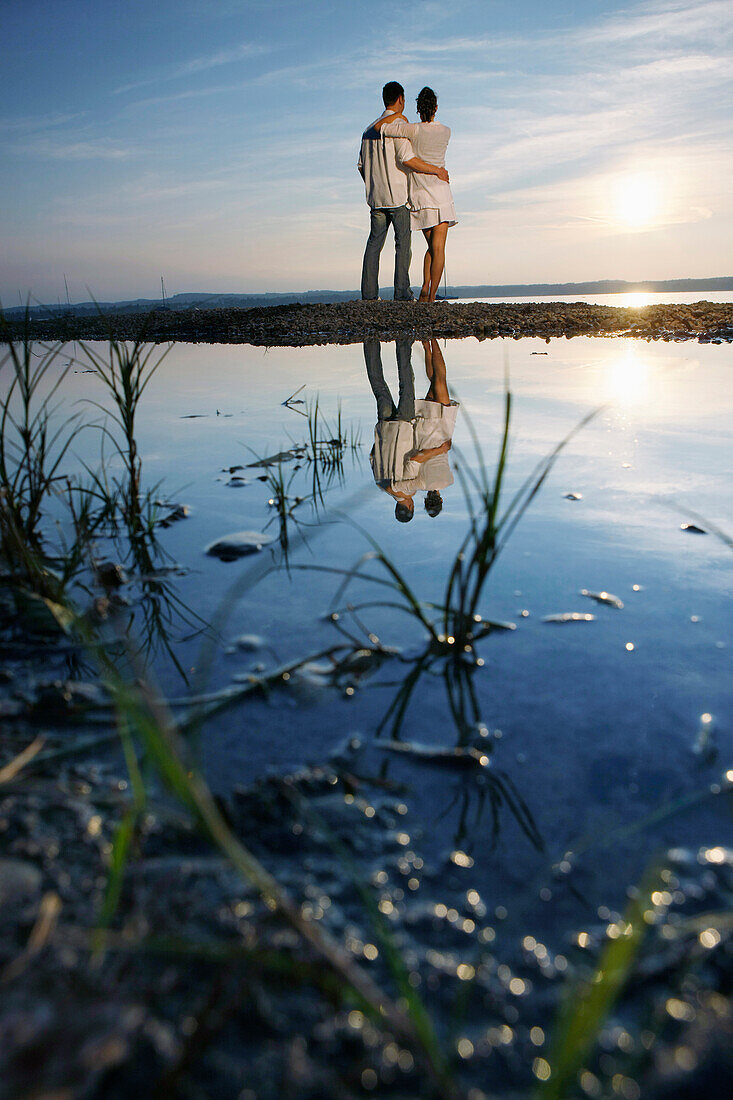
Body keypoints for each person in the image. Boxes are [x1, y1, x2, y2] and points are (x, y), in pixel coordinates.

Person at [359, 82, 450, 301]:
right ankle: (403, 293)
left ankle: (370, 296)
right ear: (400, 99)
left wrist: (372, 184)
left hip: (376, 197)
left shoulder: (367, 131)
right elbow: (406, 158)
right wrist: (437, 171)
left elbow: (361, 166)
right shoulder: (401, 127)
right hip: (399, 195)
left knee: (374, 245)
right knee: (403, 245)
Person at [364, 339, 421, 522]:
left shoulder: (409, 489)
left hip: (404, 427)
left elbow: (414, 460)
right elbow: (372, 456)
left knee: (406, 386)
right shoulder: (380, 484)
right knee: (379, 386)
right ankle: (370, 341)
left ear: (410, 507)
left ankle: (403, 342)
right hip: (385, 428)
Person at [403, 339, 459, 516]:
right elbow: (414, 461)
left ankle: (433, 339)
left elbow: (439, 456)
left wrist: (442, 449)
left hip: (440, 430)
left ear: (441, 500)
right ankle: (427, 347)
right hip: (423, 431)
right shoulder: (419, 485)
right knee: (434, 383)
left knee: (440, 380)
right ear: (426, 500)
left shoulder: (448, 481)